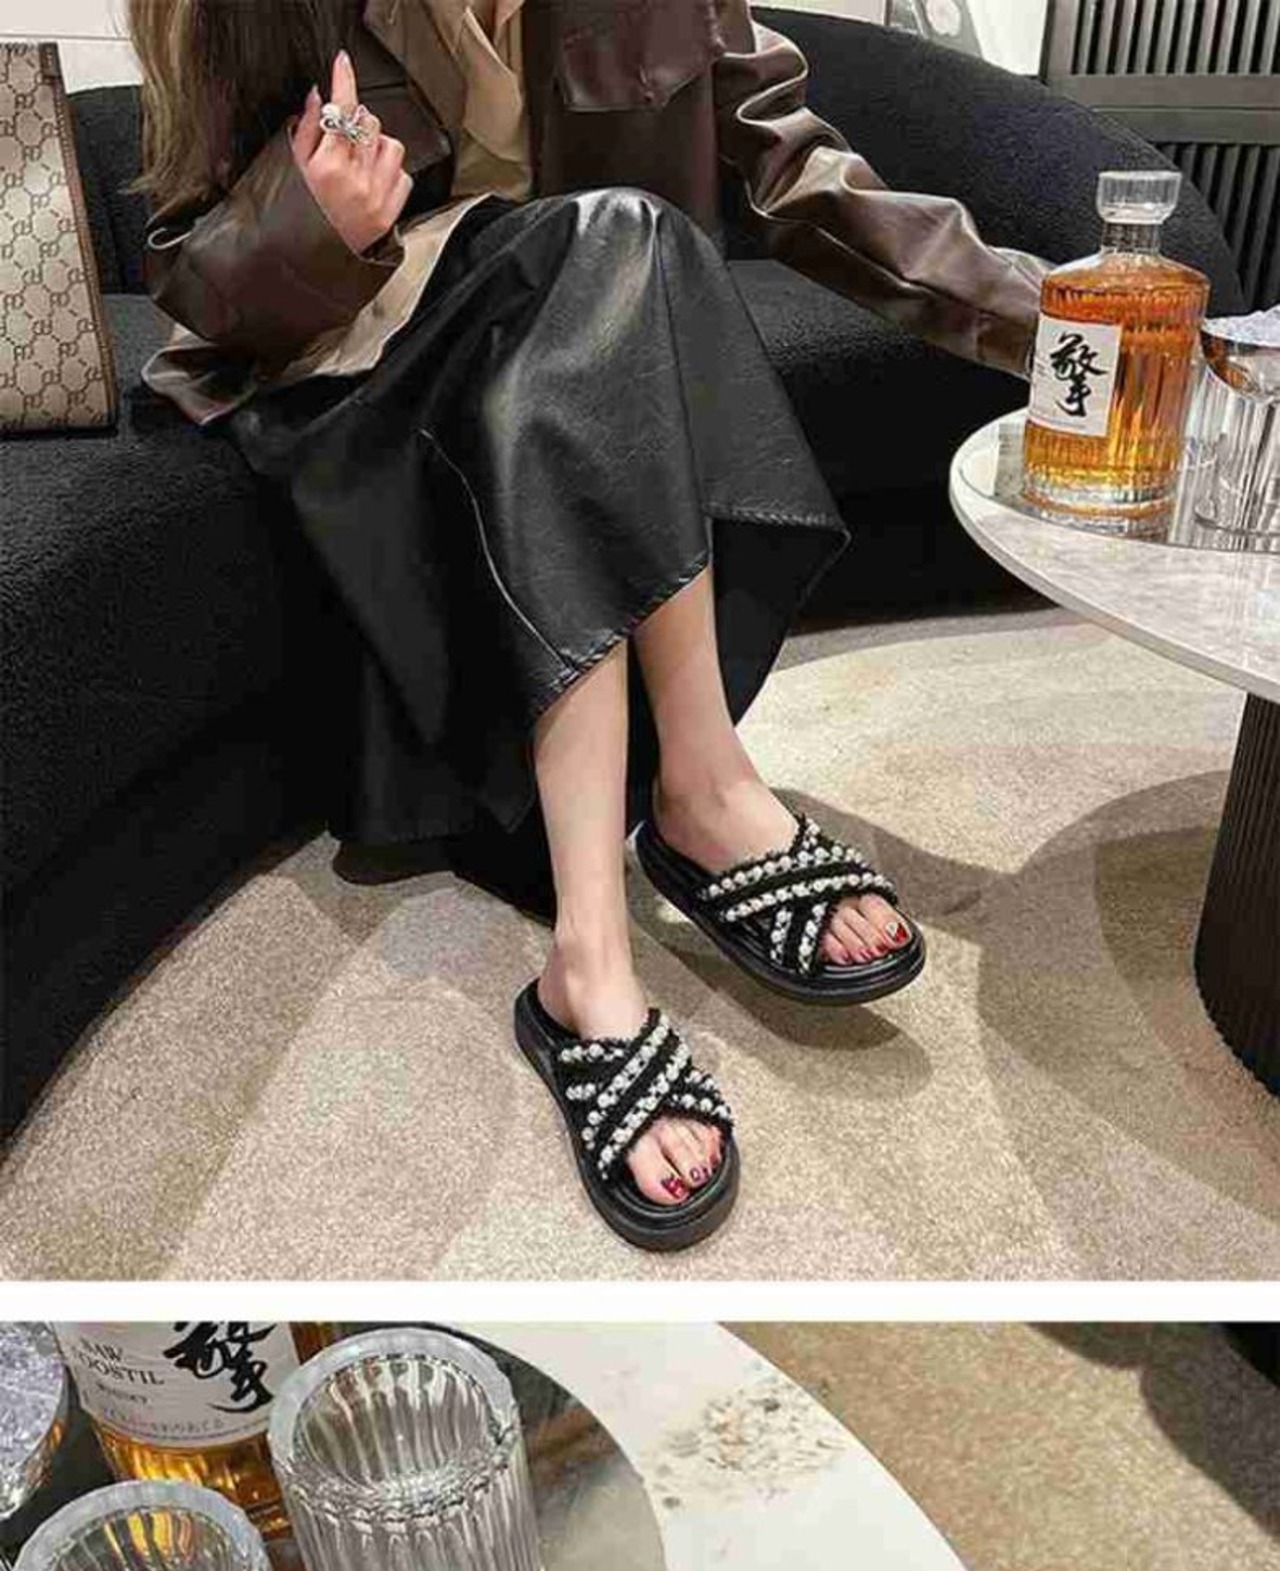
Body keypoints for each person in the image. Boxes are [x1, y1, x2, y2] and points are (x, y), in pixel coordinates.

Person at [132, 0, 1045, 1251]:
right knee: (620, 242)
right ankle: (671, 835)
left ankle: (613, 923)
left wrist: (1058, 320)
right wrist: (311, 228)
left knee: (622, 247)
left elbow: (793, 167)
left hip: (577, 358)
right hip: (359, 382)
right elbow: (188, 267)